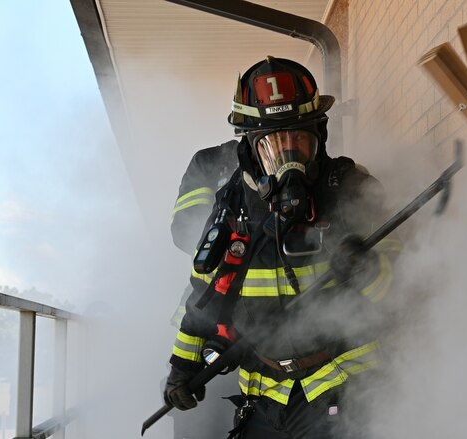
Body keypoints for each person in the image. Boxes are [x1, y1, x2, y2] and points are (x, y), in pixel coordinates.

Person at [162, 56, 399, 439]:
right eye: (274, 146)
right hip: (265, 388)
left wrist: (367, 269)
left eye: (299, 141)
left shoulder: (352, 191)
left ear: (319, 137)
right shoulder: (233, 204)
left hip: (343, 380)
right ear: (252, 150)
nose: (290, 160)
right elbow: (206, 295)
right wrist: (182, 367)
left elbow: (403, 293)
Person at [167, 142, 239, 438]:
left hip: (269, 329)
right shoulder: (214, 160)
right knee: (202, 418)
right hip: (205, 316)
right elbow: (184, 228)